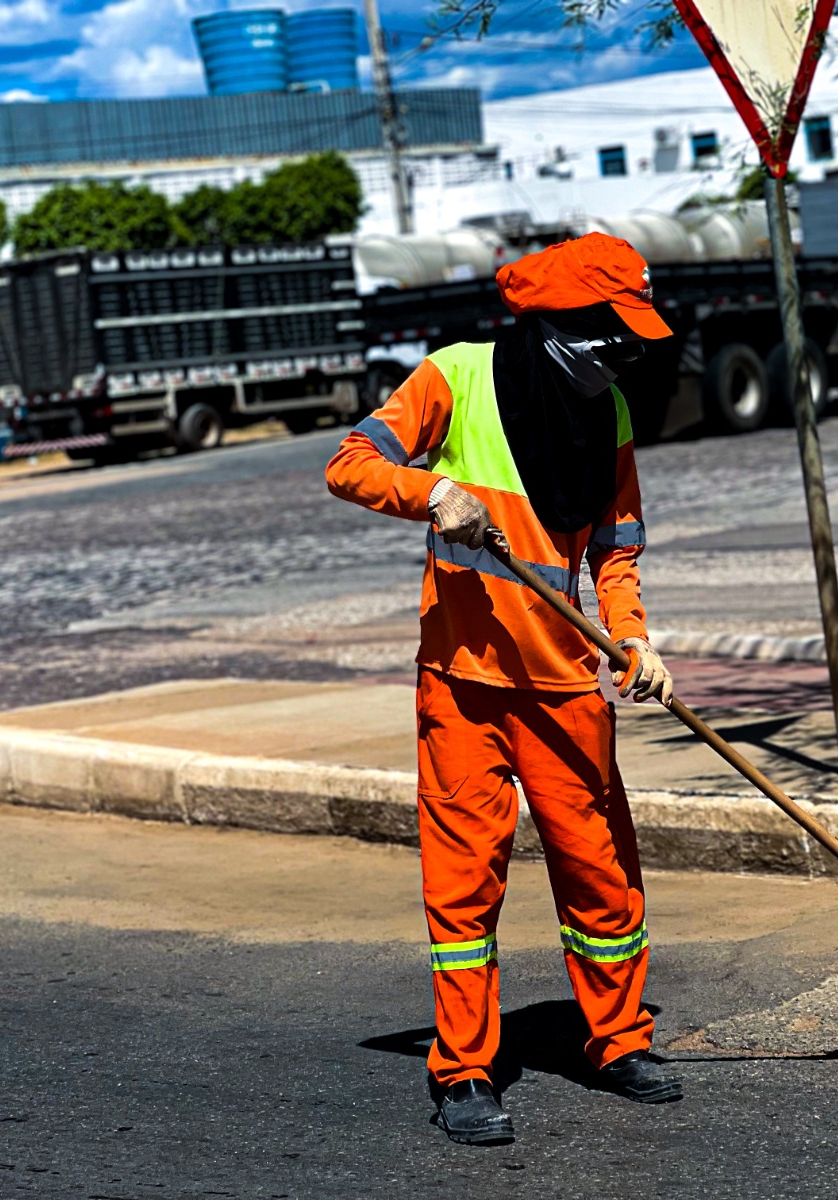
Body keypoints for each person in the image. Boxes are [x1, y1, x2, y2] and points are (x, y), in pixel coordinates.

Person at [325, 232, 680, 1145]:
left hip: (566, 687)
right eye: (615, 336)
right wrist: (430, 492)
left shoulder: (609, 419)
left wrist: (634, 641)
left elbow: (617, 553)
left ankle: (619, 1039)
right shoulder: (453, 378)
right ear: (567, 323)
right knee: (463, 887)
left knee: (602, 875)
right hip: (464, 687)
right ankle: (466, 1070)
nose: (626, 356)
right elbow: (349, 465)